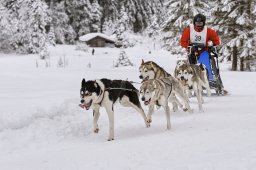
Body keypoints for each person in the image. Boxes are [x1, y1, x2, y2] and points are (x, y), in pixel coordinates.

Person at [180, 14, 227, 95]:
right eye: (197, 23)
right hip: (193, 51)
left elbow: (216, 41)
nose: (198, 25)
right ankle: (192, 83)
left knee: (205, 60)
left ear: (203, 23)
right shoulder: (189, 30)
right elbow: (182, 42)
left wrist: (211, 44)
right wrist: (189, 46)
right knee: (191, 65)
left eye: (200, 23)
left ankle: (209, 79)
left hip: (204, 50)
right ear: (194, 23)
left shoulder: (208, 31)